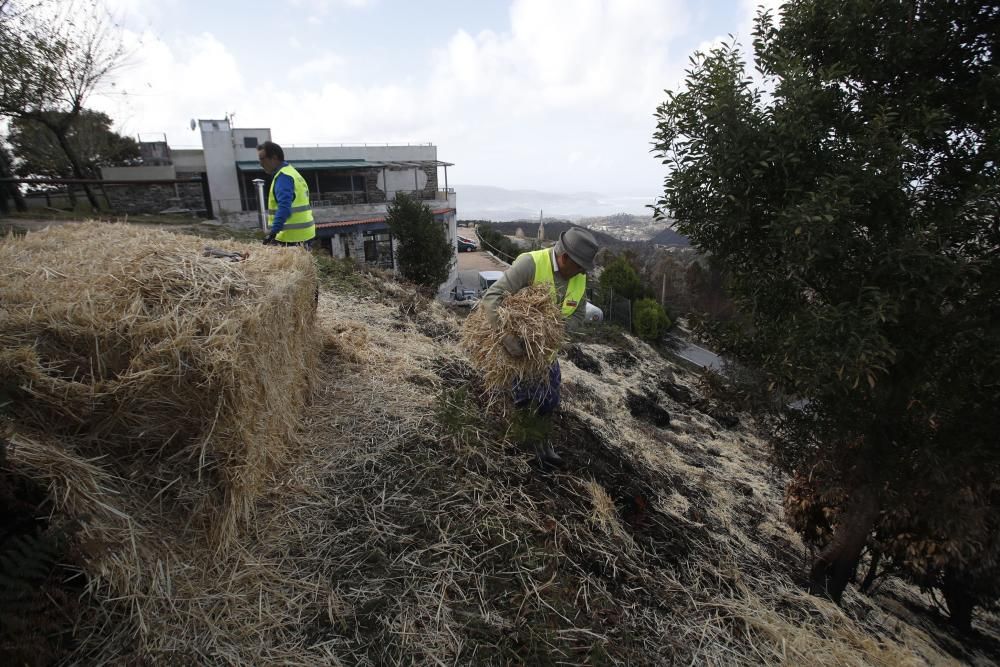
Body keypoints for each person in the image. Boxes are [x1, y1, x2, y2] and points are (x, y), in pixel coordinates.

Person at [479, 227, 599, 468]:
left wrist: (554, 332)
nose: (583, 272)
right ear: (565, 258)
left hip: (547, 354)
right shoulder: (530, 264)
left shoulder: (579, 276)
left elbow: (578, 314)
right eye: (580, 266)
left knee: (550, 400)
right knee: (523, 401)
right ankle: (524, 451)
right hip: (519, 353)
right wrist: (507, 339)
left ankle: (544, 442)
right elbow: (492, 298)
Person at [257, 141, 316, 247]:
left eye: (262, 159)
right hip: (305, 234)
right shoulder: (292, 172)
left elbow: (284, 207)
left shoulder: (283, 177)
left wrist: (273, 233)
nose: (260, 163)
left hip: (291, 238)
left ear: (274, 158)